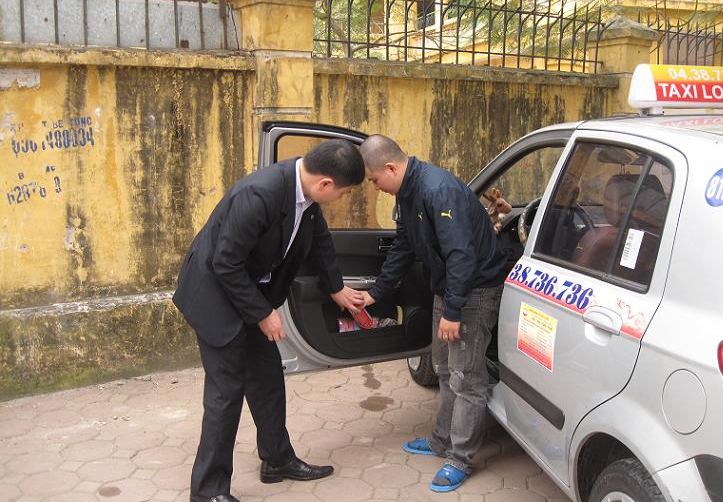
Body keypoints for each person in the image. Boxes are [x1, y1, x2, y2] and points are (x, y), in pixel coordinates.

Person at [173, 139, 366, 502]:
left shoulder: (307, 197)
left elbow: (320, 242)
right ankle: (208, 491)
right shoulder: (259, 194)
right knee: (225, 395)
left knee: (267, 380)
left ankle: (277, 461)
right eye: (344, 192)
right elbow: (224, 263)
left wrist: (336, 288)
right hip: (216, 294)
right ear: (325, 183)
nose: (342, 199)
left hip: (249, 291)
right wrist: (262, 314)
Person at [358, 135, 506, 493]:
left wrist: (453, 311)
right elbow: (403, 246)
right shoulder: (408, 194)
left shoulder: (438, 190)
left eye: (375, 180)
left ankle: (461, 457)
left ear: (390, 167)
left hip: (474, 290)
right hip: (448, 288)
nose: (376, 188)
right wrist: (377, 293)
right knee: (443, 366)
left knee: (467, 377)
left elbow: (461, 255)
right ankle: (441, 439)